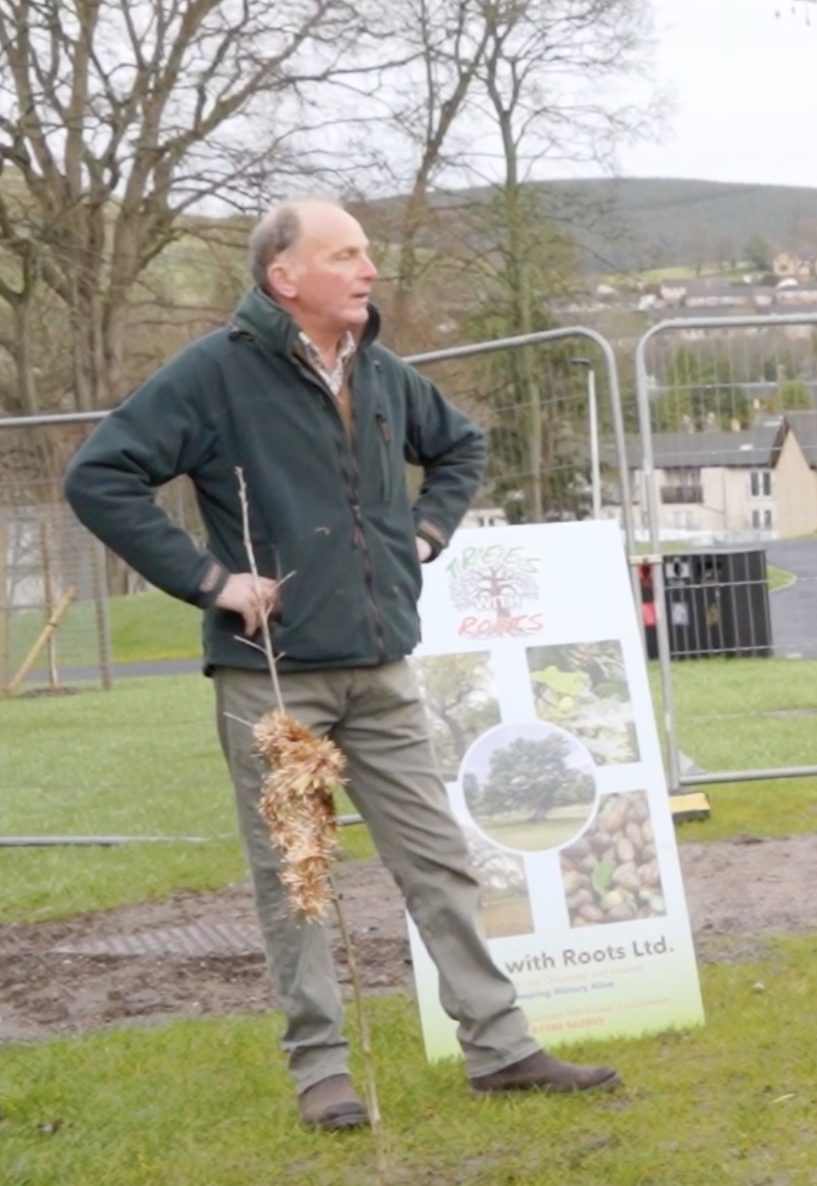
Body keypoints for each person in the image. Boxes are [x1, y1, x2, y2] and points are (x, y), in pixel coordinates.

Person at [62, 198, 620, 1132]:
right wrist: (209, 580)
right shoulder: (213, 375)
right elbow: (98, 476)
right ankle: (321, 1072)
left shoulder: (383, 373)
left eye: (366, 253)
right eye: (346, 255)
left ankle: (501, 1048)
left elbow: (462, 445)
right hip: (273, 678)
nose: (368, 270)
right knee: (299, 877)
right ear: (284, 276)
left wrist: (425, 533)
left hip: (383, 666)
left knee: (439, 863)